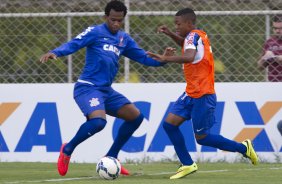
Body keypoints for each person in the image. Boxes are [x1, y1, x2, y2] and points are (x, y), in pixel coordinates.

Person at [40, 0, 168, 177]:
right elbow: (75, 43)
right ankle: (67, 149)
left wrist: (164, 60)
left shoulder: (124, 39)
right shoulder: (95, 32)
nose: (116, 24)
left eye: (119, 20)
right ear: (105, 17)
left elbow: (143, 58)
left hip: (106, 91)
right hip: (88, 88)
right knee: (99, 122)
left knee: (136, 118)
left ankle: (111, 156)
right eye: (113, 19)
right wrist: (57, 52)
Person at [147, 8, 259, 179]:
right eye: (174, 25)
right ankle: (187, 164)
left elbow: (189, 56)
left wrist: (166, 58)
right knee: (169, 124)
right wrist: (170, 34)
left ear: (190, 23)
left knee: (202, 137)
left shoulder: (193, 36)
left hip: (203, 94)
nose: (176, 27)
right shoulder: (197, 36)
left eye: (178, 24)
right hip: (191, 92)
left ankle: (243, 148)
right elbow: (187, 46)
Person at [257, 15, 282, 82]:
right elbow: (260, 67)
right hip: (273, 85)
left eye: (280, 28)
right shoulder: (269, 42)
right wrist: (265, 58)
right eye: (275, 28)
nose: (277, 31)